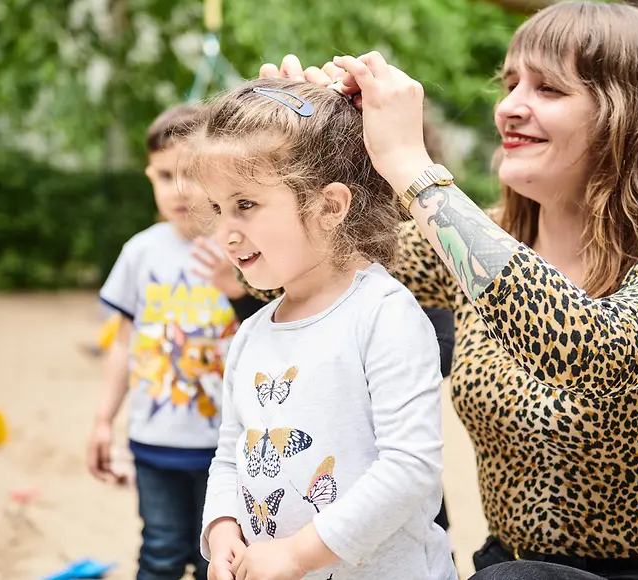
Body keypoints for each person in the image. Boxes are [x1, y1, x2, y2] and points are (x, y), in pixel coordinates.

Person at [253, 2, 638, 579]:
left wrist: (411, 164)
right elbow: (298, 288)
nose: (510, 107)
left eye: (549, 90)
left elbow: (587, 351)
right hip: (502, 566)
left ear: (628, 117)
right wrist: (296, 153)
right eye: (511, 84)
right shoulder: (464, 246)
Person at [188, 78, 457, 580]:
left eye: (245, 204)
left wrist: (296, 554)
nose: (226, 230)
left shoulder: (382, 315)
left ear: (329, 206)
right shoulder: (252, 334)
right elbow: (230, 453)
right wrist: (223, 527)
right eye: (218, 208)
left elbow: (410, 469)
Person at [86, 103, 258, 580]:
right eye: (165, 176)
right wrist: (104, 420)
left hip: (225, 449)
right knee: (159, 552)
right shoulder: (140, 252)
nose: (179, 190)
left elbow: (270, 336)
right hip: (153, 442)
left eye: (191, 174)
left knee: (219, 562)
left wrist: (237, 288)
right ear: (149, 176)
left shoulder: (246, 246)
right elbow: (121, 344)